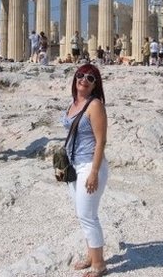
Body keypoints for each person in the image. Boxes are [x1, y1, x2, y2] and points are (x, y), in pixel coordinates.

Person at [61, 64, 108, 277]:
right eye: (81, 75)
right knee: (83, 215)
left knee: (88, 215)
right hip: (74, 166)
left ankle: (99, 265)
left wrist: (94, 172)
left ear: (95, 84)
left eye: (90, 78)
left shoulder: (95, 105)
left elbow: (101, 141)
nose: (84, 80)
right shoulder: (74, 103)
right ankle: (92, 255)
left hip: (90, 165)